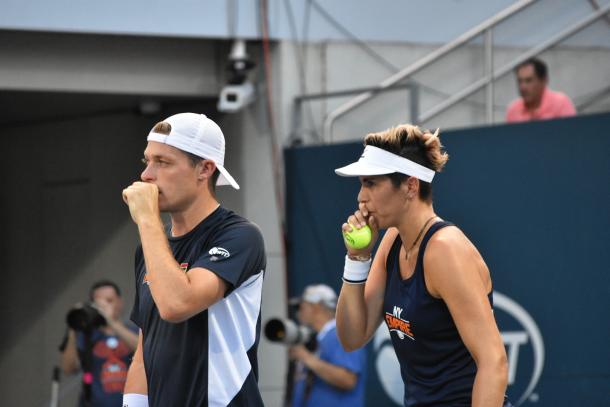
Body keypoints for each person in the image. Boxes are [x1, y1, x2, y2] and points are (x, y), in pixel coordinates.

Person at [333, 124, 511, 406]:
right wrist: (357, 258)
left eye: (371, 183)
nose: (361, 197)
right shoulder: (392, 241)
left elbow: (494, 361)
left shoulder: (445, 250)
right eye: (361, 184)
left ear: (410, 186)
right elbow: (352, 337)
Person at [121, 113, 266, 407]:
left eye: (163, 162)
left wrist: (147, 219)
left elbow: (177, 304)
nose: (147, 175)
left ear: (204, 169)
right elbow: (144, 348)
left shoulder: (239, 236)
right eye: (146, 162)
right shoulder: (151, 244)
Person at [60, 280, 138, 407]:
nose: (103, 307)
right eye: (98, 303)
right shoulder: (86, 335)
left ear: (120, 302)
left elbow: (143, 351)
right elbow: (68, 368)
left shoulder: (134, 331)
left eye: (109, 301)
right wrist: (73, 328)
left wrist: (110, 321)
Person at [289, 284, 366, 407]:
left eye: (301, 306)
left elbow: (348, 380)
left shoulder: (341, 333)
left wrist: (307, 358)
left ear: (316, 307)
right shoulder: (320, 338)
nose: (299, 312)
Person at [506, 57, 576, 123]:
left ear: (544, 80)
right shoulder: (513, 110)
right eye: (520, 81)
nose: (523, 87)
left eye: (529, 81)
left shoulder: (561, 103)